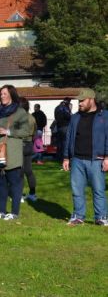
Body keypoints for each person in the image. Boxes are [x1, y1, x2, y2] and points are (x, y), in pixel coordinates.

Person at [62, 88, 108, 226]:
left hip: (97, 159)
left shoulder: (104, 116)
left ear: (91, 99)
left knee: (98, 190)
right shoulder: (75, 117)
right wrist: (66, 157)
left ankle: (101, 217)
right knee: (77, 190)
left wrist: (107, 157)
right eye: (79, 101)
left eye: (82, 100)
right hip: (77, 160)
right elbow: (69, 137)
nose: (79, 103)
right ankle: (78, 216)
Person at [0, 85, 32, 221]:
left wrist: (8, 132)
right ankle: (1, 211)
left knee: (14, 183)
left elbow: (26, 132)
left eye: (5, 94)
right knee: (1, 183)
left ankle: (14, 212)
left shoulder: (19, 112)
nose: (2, 96)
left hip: (12, 152)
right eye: (1, 94)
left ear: (12, 95)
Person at [19, 97, 38, 202]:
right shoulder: (32, 117)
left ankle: (20, 194)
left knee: (20, 172)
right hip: (29, 144)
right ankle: (32, 193)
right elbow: (35, 131)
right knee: (29, 171)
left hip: (20, 144)